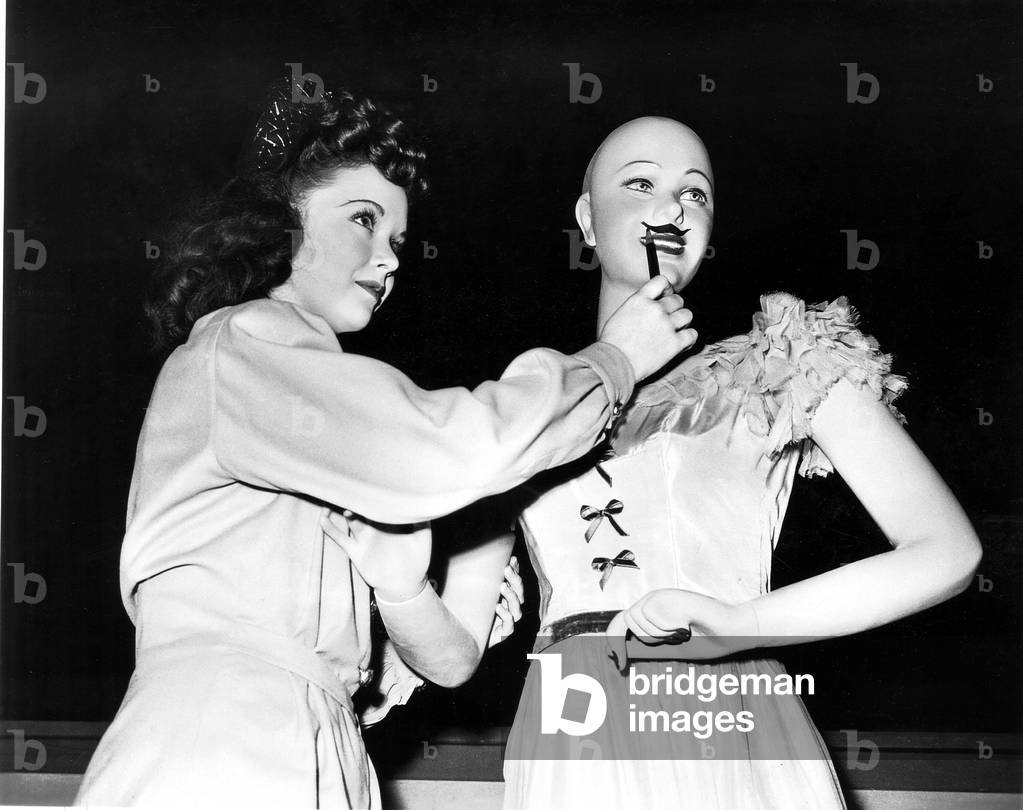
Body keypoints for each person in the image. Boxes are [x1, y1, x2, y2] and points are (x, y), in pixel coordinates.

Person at [73, 80, 696, 808]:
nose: (389, 257)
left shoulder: (319, 406)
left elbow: (445, 652)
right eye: (362, 219)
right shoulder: (248, 340)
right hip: (226, 729)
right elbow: (451, 450)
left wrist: (401, 589)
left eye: (397, 239)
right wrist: (612, 360)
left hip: (312, 734)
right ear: (281, 222)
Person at [494, 117, 983, 809]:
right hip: (569, 727)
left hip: (723, 715)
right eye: (640, 184)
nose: (671, 209)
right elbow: (447, 628)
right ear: (587, 219)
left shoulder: (776, 363)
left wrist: (741, 627)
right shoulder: (528, 401)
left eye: (695, 195)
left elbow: (947, 552)